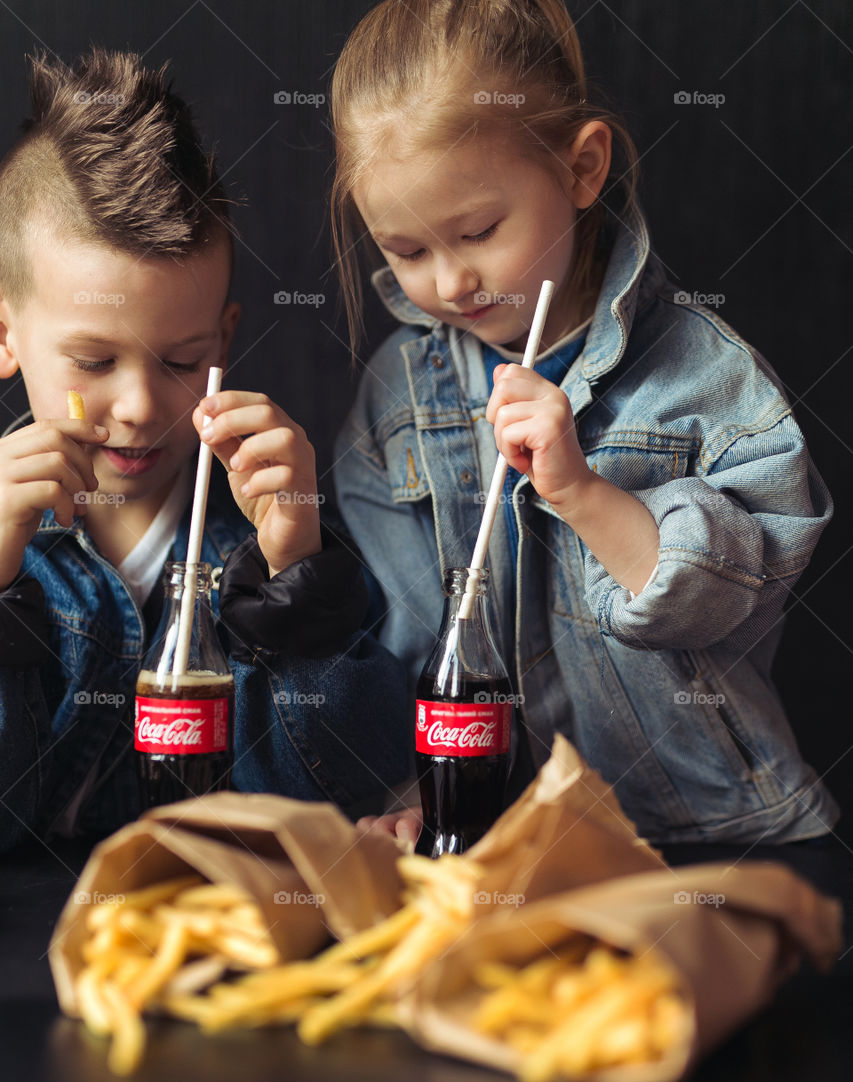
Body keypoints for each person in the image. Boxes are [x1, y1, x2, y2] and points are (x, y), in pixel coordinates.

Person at [325, 0, 838, 847]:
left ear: (582, 168)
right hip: (497, 840)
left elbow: (725, 605)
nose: (451, 283)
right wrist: (416, 793)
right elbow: (409, 640)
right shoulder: (396, 398)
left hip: (704, 836)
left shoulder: (704, 377)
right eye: (406, 252)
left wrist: (580, 490)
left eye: (479, 231)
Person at [0, 49, 407, 853]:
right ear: (6, 336)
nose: (144, 406)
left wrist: (294, 585)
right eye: (92, 362)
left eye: (181, 362)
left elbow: (342, 807)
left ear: (224, 338)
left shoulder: (260, 539)